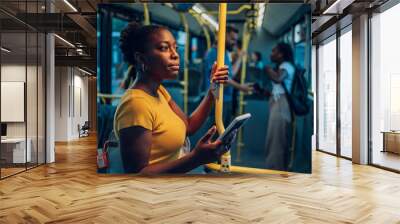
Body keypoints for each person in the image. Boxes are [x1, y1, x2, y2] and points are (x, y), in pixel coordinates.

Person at [114, 22, 230, 174]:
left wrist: (212, 90)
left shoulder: (159, 91)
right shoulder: (136, 104)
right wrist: (195, 159)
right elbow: (137, 174)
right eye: (164, 48)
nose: (175, 54)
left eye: (175, 47)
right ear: (141, 59)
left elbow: (188, 126)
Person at [203, 26, 253, 124]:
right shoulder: (214, 53)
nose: (234, 42)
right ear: (220, 37)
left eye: (235, 39)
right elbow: (221, 79)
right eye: (232, 39)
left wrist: (239, 58)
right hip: (217, 99)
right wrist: (241, 87)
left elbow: (231, 73)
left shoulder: (224, 53)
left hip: (226, 99)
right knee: (216, 134)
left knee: (225, 133)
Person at [264, 42, 296, 171]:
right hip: (278, 102)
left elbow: (278, 79)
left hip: (281, 105)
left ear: (281, 54)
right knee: (274, 137)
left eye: (274, 51)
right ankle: (274, 167)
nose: (271, 54)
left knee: (277, 139)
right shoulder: (283, 65)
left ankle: (276, 169)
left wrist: (267, 69)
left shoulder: (286, 66)